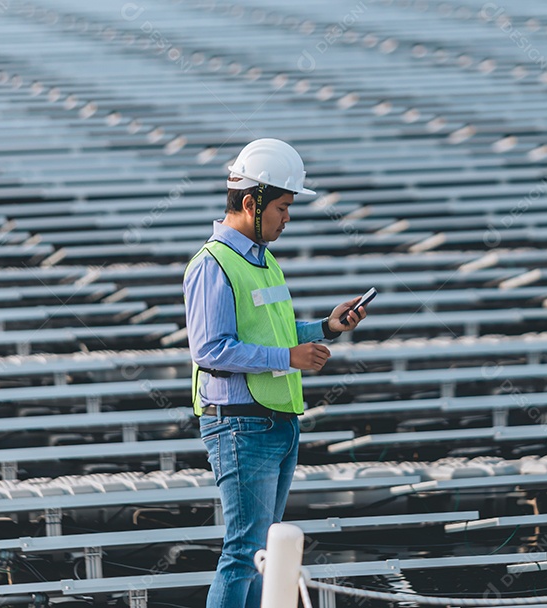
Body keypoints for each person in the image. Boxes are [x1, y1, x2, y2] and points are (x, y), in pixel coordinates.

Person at [182, 138, 368, 608]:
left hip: (274, 420)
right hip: (241, 423)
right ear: (251, 203)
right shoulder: (213, 264)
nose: (288, 217)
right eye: (283, 207)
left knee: (263, 552)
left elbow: (275, 332)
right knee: (245, 552)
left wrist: (326, 327)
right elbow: (210, 349)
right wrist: (289, 358)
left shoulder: (262, 260)